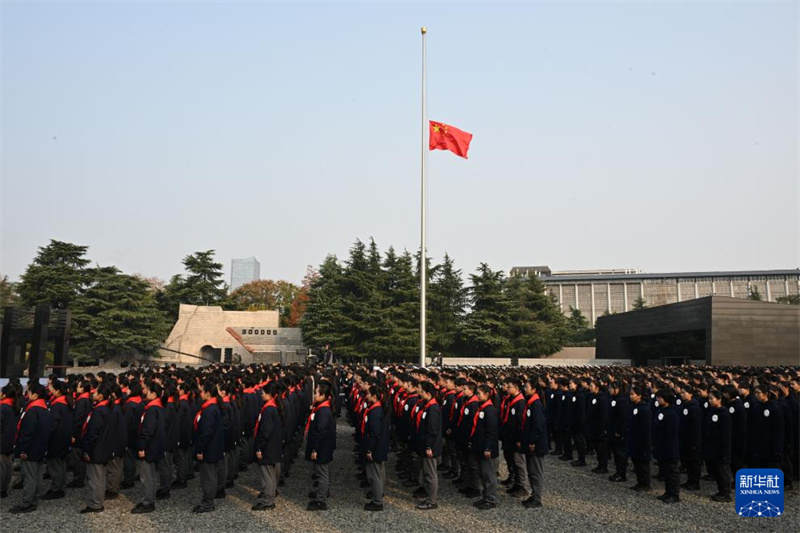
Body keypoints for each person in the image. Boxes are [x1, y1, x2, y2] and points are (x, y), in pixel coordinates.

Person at [10, 381, 51, 514]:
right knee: (38, 475)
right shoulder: (45, 408)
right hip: (40, 447)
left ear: (34, 394)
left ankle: (26, 503)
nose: (27, 394)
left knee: (29, 477)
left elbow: (27, 433)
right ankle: (34, 500)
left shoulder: (32, 410)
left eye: (28, 392)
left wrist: (23, 450)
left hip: (31, 449)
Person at [80, 384, 116, 514]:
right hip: (105, 447)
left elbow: (92, 433)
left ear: (101, 395)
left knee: (94, 478)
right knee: (100, 477)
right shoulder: (109, 408)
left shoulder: (99, 410)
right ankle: (98, 501)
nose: (92, 394)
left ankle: (95, 504)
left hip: (96, 449)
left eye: (95, 393)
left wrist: (87, 450)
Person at [193, 379, 225, 513]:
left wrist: (200, 449)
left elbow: (206, 432)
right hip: (213, 447)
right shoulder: (213, 406)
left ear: (207, 393)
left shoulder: (209, 410)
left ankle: (208, 502)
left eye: (201, 392)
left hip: (209, 448)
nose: (200, 394)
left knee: (208, 477)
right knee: (210, 475)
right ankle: (208, 499)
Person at [133, 380, 165, 514]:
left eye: (147, 390)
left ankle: (148, 502)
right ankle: (148, 498)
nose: (145, 392)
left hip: (149, 447)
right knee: (149, 475)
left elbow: (148, 431)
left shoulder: (152, 409)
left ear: (153, 393)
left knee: (147, 476)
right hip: (155, 446)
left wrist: (142, 447)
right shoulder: (158, 407)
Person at [252, 381, 283, 511]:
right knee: (272, 473)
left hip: (268, 447)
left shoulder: (268, 410)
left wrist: (260, 447)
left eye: (263, 393)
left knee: (267, 475)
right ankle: (270, 495)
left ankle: (268, 501)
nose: (261, 395)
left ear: (270, 395)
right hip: (274, 446)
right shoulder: (275, 407)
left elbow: (265, 431)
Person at [305, 381, 336, 511]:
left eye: (316, 393)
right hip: (323, 446)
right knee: (321, 472)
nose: (314, 395)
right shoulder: (322, 407)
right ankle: (320, 493)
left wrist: (315, 449)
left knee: (322, 473)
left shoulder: (323, 411)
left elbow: (321, 432)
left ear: (323, 396)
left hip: (322, 447)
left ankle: (321, 500)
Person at [42, 380, 73, 501]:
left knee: (55, 466)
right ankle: (59, 486)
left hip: (56, 440)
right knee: (61, 464)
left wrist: (45, 436)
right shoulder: (66, 402)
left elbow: (52, 425)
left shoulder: (57, 405)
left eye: (51, 387)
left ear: (58, 391)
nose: (49, 389)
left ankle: (56, 489)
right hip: (64, 439)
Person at [471, 384, 499, 510]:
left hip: (486, 447)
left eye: (479, 394)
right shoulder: (480, 407)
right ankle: (485, 496)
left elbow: (491, 432)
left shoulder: (490, 410)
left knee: (489, 475)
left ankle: (491, 499)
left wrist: (488, 448)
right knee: (482, 473)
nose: (477, 396)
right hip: (479, 446)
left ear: (487, 395)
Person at [520, 378, 547, 509]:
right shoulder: (530, 403)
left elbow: (538, 426)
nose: (525, 389)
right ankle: (533, 494)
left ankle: (537, 498)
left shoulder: (536, 404)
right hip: (530, 443)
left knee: (536, 472)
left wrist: (532, 441)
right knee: (531, 471)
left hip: (536, 445)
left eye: (527, 387)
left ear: (534, 390)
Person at [415, 381, 442, 510]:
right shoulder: (427, 405)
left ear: (428, 393)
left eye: (421, 389)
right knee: (426, 472)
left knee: (430, 474)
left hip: (430, 446)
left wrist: (429, 447)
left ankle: (432, 500)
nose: (418, 391)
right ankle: (429, 495)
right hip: (424, 444)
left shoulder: (433, 408)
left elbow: (432, 430)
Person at [703, 388, 733, 502]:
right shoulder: (712, 411)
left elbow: (725, 435)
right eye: (709, 399)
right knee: (717, 471)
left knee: (723, 471)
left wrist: (724, 451)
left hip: (721, 449)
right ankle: (721, 491)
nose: (709, 401)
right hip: (712, 447)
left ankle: (726, 493)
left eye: (712, 399)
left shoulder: (724, 414)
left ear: (719, 399)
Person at [362, 385, 388, 511]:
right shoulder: (376, 409)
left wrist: (369, 450)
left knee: (374, 475)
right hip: (379, 447)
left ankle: (377, 501)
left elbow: (374, 433)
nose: (366, 396)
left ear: (374, 396)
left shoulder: (375, 412)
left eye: (368, 394)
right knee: (379, 472)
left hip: (375, 448)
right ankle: (378, 494)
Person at [653, 388, 680, 504]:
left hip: (670, 447)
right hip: (661, 445)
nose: (658, 400)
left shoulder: (672, 413)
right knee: (666, 471)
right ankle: (668, 492)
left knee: (672, 471)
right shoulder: (661, 410)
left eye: (660, 398)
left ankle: (674, 494)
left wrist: (671, 449)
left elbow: (672, 434)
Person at [627, 385, 652, 493]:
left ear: (639, 396)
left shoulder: (644, 409)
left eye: (633, 394)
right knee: (636, 462)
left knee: (643, 464)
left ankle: (645, 483)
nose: (630, 396)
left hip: (642, 441)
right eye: (630, 394)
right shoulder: (634, 407)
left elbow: (646, 429)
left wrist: (646, 444)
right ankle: (640, 481)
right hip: (634, 439)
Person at [678, 386, 702, 491]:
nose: (681, 394)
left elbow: (696, 427)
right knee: (688, 461)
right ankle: (690, 480)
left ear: (691, 394)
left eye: (684, 393)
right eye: (681, 393)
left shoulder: (693, 408)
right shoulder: (685, 406)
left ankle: (695, 482)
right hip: (685, 438)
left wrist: (695, 442)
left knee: (694, 462)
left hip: (693, 440)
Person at [1, 384, 18, 499]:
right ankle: (4, 488)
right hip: (10, 440)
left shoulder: (3, 407)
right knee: (8, 466)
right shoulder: (14, 406)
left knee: (1, 467)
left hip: (1, 441)